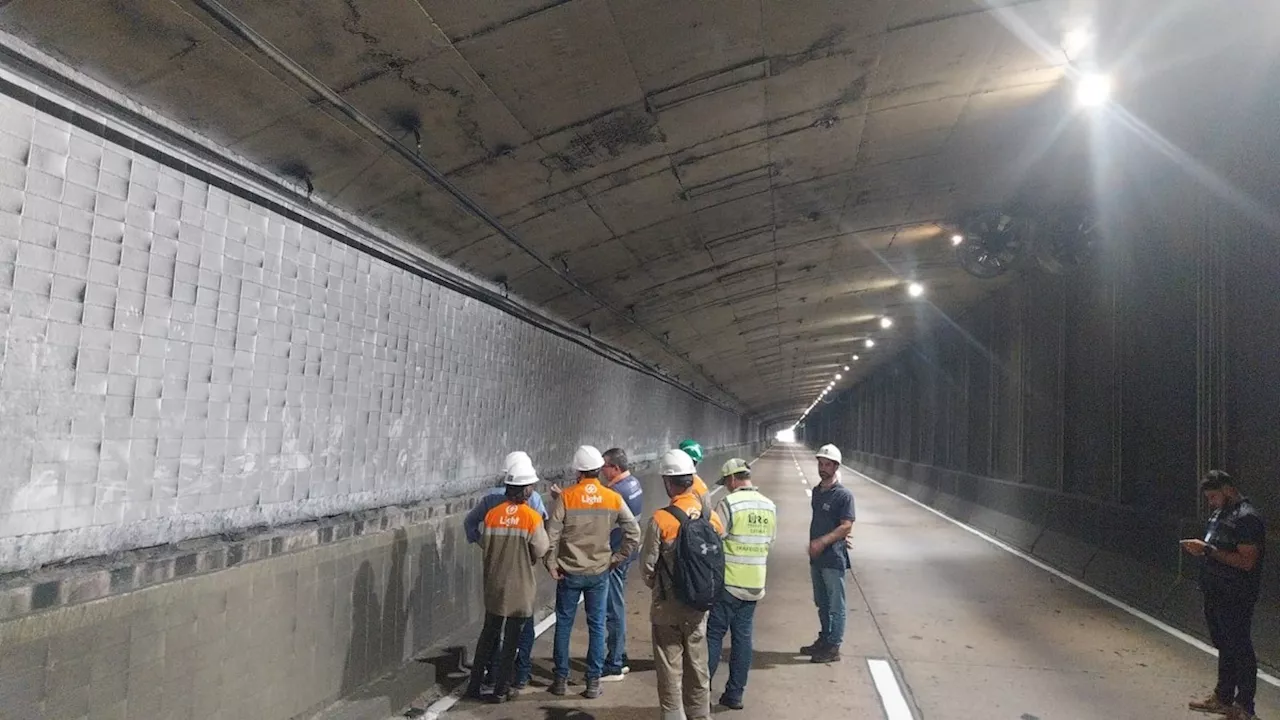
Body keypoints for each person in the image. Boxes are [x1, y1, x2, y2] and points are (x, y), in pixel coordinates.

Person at [545, 445, 642, 699]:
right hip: (599, 572)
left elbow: (552, 535)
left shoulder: (567, 496)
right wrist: (618, 558)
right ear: (599, 470)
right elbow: (634, 533)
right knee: (597, 625)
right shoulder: (612, 497)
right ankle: (592, 682)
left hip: (569, 572)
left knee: (564, 624)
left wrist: (551, 564)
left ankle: (560, 680)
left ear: (578, 471)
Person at [642, 449, 725, 720]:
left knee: (669, 670)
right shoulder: (709, 517)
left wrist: (660, 586)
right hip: (699, 605)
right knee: (697, 668)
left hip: (667, 605)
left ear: (668, 482)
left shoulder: (661, 519)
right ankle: (701, 716)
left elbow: (647, 568)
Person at [1183, 471, 1266, 720]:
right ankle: (1223, 696)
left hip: (1236, 593)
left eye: (1213, 496)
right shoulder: (1221, 514)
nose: (1211, 502)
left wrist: (1208, 550)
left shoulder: (1247, 518)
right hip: (1216, 590)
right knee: (1225, 645)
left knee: (1239, 647)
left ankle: (1244, 705)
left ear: (1228, 490)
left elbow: (1246, 561)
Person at [464, 465, 550, 704]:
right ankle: (501, 689)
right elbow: (542, 549)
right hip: (520, 586)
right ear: (523, 491)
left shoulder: (492, 514)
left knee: (488, 633)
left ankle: (474, 685)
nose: (532, 490)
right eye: (530, 486)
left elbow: (483, 540)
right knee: (512, 639)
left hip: (494, 583)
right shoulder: (531, 517)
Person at [707, 457, 776, 710]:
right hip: (755, 583)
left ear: (733, 479)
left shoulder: (728, 503)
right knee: (743, 639)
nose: (726, 487)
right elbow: (769, 541)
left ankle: (701, 694)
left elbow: (714, 540)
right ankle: (734, 695)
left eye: (726, 482)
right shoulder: (769, 506)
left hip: (729, 582)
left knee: (713, 635)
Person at [802, 443, 854, 664]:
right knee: (822, 601)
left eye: (827, 464)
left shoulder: (843, 495)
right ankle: (825, 638)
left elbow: (846, 525)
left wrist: (825, 540)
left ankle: (834, 646)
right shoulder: (816, 492)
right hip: (817, 557)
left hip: (832, 557)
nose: (822, 468)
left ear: (836, 466)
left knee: (836, 605)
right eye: (820, 464)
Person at [601, 447, 643, 682]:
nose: (602, 470)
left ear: (615, 467)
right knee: (617, 604)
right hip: (627, 553)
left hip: (616, 556)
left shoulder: (615, 492)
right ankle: (620, 653)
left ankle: (614, 663)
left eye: (605, 466)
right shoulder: (635, 484)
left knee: (613, 608)